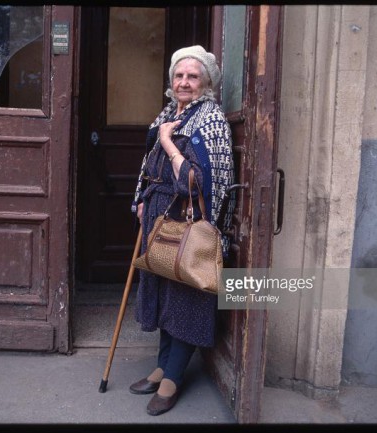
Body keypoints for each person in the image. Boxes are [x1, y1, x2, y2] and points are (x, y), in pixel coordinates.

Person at [130, 45, 235, 416]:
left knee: (186, 299)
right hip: (159, 218)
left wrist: (167, 143)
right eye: (179, 75)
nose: (184, 82)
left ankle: (173, 378)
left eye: (193, 76)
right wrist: (141, 198)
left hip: (189, 225)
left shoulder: (210, 119)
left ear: (206, 82)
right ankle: (161, 367)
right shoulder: (167, 114)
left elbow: (196, 181)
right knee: (162, 293)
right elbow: (148, 168)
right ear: (171, 80)